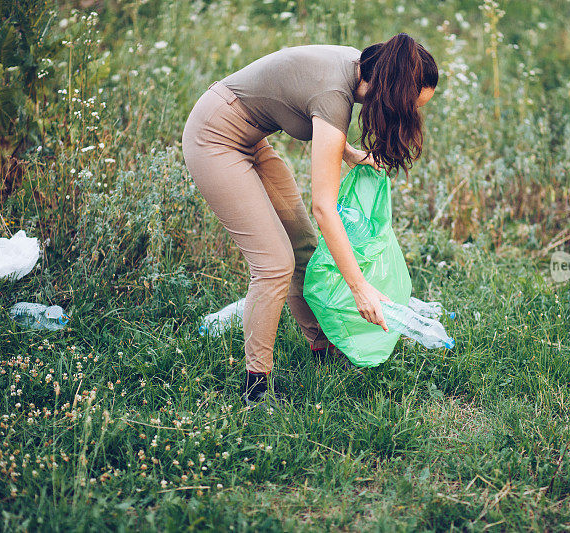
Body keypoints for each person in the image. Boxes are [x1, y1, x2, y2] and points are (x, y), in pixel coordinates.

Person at [181, 33, 438, 405]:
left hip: (252, 139)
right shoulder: (336, 93)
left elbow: (310, 107)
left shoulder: (364, 68)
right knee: (273, 265)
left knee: (303, 247)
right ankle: (256, 388)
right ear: (392, 96)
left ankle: (323, 347)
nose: (410, 117)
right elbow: (325, 208)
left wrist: (349, 153)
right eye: (410, 108)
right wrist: (359, 287)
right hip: (214, 138)